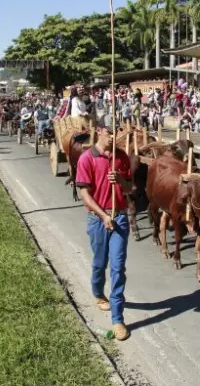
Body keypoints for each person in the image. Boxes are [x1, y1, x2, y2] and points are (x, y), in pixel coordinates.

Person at [75, 114, 132, 341]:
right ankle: (98, 293)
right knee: (100, 263)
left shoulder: (123, 158)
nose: (113, 136)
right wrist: (102, 215)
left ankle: (118, 318)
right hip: (97, 219)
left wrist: (120, 180)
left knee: (118, 267)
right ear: (99, 130)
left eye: (116, 132)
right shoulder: (87, 158)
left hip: (119, 218)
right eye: (110, 132)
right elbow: (84, 194)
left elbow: (129, 189)